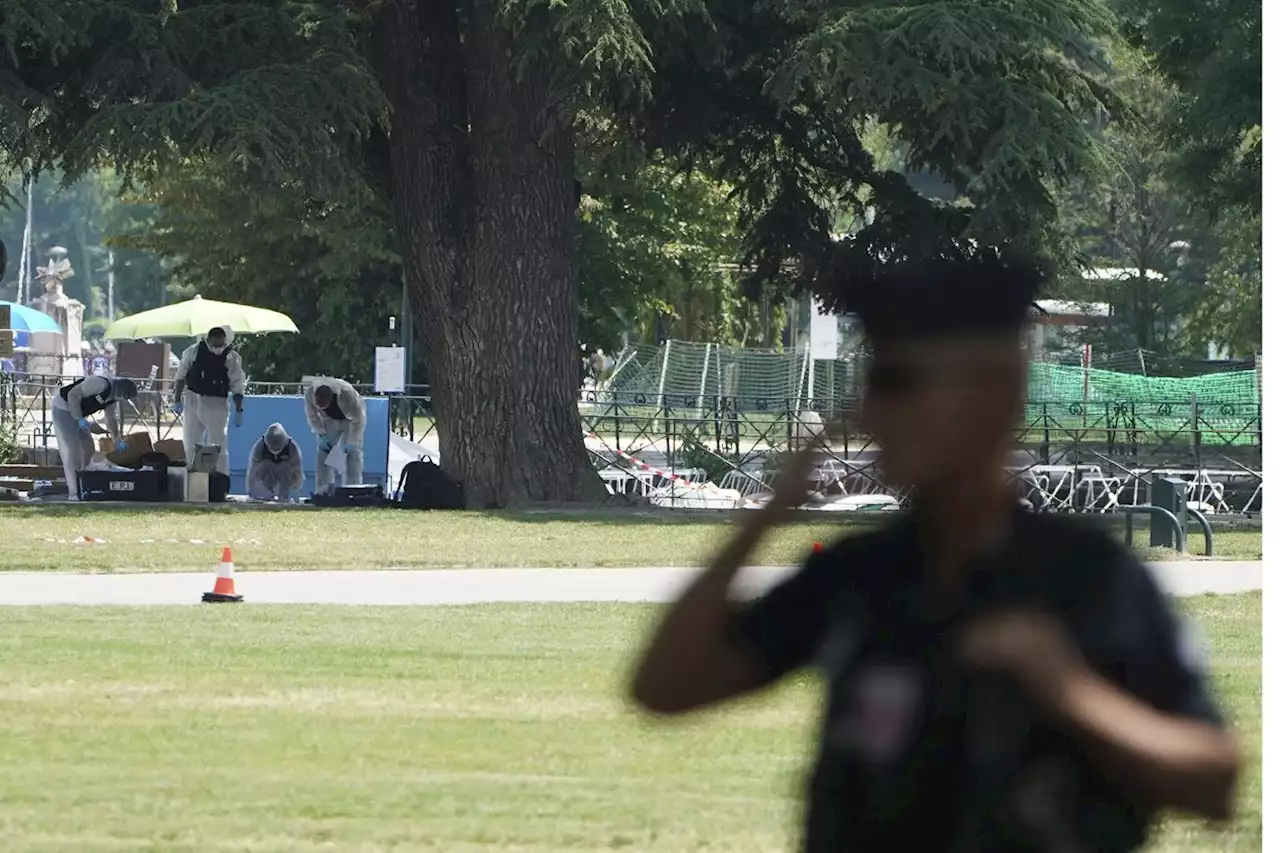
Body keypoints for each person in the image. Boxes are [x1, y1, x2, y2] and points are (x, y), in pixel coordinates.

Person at [630, 247, 1238, 852]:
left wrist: (1066, 689)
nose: (870, 412)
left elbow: (1215, 780)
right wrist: (767, 513)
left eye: (897, 384)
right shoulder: (861, 576)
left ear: (995, 394)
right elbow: (665, 686)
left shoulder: (1090, 579)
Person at [51, 374, 138, 500]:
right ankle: (73, 492)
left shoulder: (113, 399)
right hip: (63, 407)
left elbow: (111, 419)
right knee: (70, 449)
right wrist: (78, 418)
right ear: (120, 391)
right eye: (126, 397)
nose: (124, 400)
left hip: (79, 414)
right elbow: (73, 395)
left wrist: (117, 439)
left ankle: (84, 483)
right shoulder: (99, 383)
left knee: (88, 448)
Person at [172, 326, 246, 475]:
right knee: (190, 442)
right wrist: (177, 399)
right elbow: (180, 377)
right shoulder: (192, 352)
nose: (219, 348)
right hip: (193, 398)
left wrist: (239, 408)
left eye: (222, 345)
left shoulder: (232, 358)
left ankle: (220, 479)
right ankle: (191, 479)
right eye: (216, 345)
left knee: (218, 444)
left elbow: (237, 384)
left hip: (217, 403)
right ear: (208, 340)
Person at [304, 377, 366, 494]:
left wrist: (351, 442)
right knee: (323, 455)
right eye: (319, 405)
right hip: (329, 420)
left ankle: (353, 491)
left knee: (353, 456)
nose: (320, 407)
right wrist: (321, 433)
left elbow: (359, 419)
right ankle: (323, 491)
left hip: (350, 420)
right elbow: (313, 415)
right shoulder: (309, 394)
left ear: (331, 398)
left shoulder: (346, 394)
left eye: (323, 405)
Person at [246, 423, 303, 501]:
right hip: (267, 476)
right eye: (272, 448)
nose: (275, 451)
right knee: (266, 464)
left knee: (286, 466)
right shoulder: (260, 447)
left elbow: (298, 472)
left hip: (285, 478)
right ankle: (267, 494)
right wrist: (252, 491)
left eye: (278, 448)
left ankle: (284, 496)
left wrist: (295, 491)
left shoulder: (292, 448)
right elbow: (253, 471)